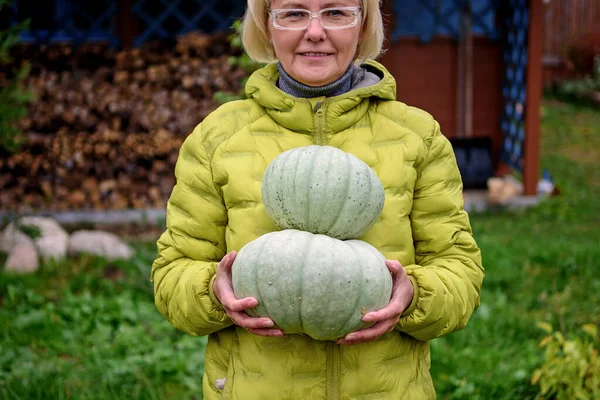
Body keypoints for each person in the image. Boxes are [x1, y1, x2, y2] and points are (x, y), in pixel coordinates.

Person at [151, 0, 485, 398]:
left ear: (363, 26)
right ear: (267, 27)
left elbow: (460, 271)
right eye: (293, 13)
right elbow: (172, 272)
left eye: (336, 12)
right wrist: (213, 292)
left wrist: (412, 296)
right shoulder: (217, 138)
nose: (314, 32)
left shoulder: (417, 136)